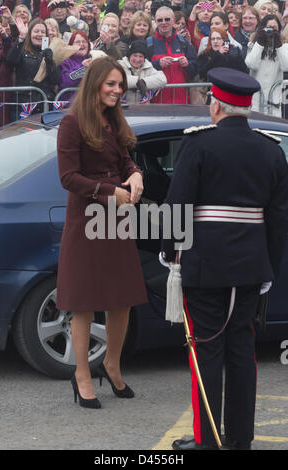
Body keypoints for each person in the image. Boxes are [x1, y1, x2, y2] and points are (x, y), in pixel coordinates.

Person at [161, 67, 288, 450]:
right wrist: (270, 266)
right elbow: (278, 217)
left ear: (215, 106)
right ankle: (239, 439)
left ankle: (208, 441)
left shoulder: (198, 145)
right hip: (251, 267)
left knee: (206, 352)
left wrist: (170, 253)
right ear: (246, 109)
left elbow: (176, 204)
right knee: (241, 351)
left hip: (204, 266)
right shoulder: (270, 148)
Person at [56, 56, 148, 408]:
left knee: (121, 299)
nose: (117, 90)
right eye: (111, 84)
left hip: (116, 218)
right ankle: (82, 375)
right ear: (94, 83)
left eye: (120, 85)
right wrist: (110, 192)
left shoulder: (112, 118)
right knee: (84, 303)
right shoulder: (72, 122)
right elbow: (68, 178)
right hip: (87, 217)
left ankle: (111, 364)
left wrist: (136, 172)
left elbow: (124, 160)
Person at [6, 17, 61, 118]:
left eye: (43, 32)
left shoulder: (51, 52)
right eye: (36, 31)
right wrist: (21, 37)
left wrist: (49, 61)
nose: (39, 34)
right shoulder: (21, 49)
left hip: (43, 105)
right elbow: (10, 61)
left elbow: (56, 79)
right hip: (23, 105)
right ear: (30, 33)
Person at [147, 6, 197, 103]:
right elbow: (142, 70)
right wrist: (158, 64)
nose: (163, 23)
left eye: (167, 19)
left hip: (181, 101)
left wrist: (187, 65)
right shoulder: (149, 43)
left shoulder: (183, 42)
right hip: (156, 103)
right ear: (156, 22)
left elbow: (194, 70)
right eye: (160, 20)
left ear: (173, 21)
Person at [245, 14, 288, 116]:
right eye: (268, 28)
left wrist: (278, 45)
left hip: (273, 101)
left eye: (274, 29)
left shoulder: (284, 47)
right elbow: (251, 64)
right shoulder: (254, 45)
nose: (271, 31)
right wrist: (260, 43)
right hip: (255, 100)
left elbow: (286, 66)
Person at [118, 39, 167, 103]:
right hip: (123, 109)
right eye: (135, 55)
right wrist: (137, 82)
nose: (137, 59)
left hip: (142, 110)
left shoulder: (148, 66)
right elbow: (117, 78)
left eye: (141, 56)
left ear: (144, 58)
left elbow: (162, 79)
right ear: (129, 55)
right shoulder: (120, 65)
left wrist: (144, 82)